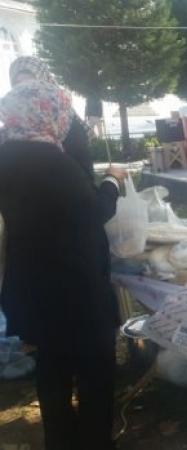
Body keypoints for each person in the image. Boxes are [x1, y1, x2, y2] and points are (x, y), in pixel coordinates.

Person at [0, 81, 122, 450]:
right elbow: (94, 212)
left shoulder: (5, 155)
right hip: (73, 286)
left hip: (30, 283)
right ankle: (94, 440)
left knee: (52, 365)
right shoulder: (54, 162)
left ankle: (60, 439)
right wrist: (113, 181)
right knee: (95, 370)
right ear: (50, 112)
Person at [8, 56, 123, 219]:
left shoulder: (9, 142)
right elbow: (95, 210)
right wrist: (113, 179)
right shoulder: (55, 144)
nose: (29, 97)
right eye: (20, 89)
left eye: (34, 88)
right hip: (72, 238)